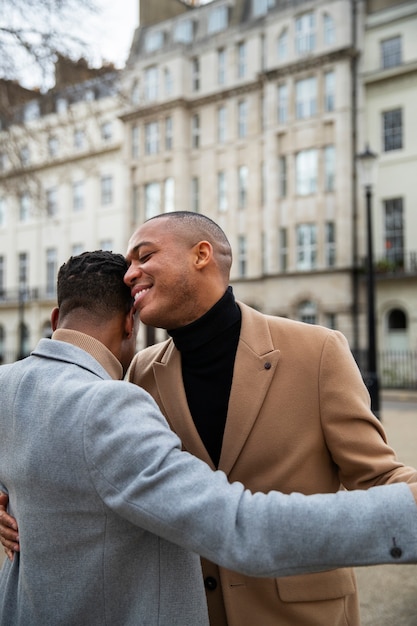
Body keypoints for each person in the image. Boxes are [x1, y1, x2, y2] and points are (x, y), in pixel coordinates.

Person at [2, 252, 417, 626]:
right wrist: (404, 517)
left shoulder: (5, 385)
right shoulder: (121, 392)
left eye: (147, 254)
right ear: (131, 321)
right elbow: (240, 526)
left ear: (57, 320)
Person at [119, 211, 417, 626]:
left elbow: (377, 475)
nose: (129, 274)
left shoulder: (318, 350)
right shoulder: (141, 372)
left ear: (201, 255)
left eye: (143, 256)